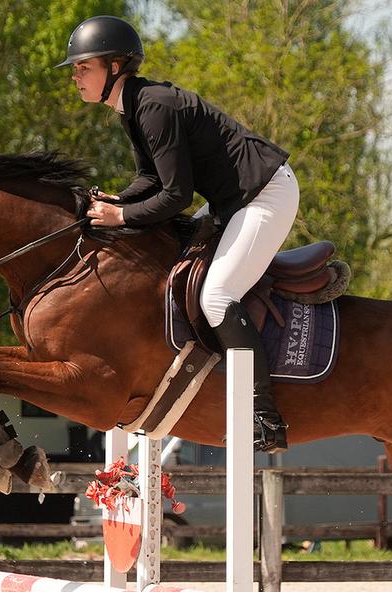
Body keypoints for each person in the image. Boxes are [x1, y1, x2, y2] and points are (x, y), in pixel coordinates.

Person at [58, 16, 300, 453]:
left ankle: (264, 417)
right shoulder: (133, 107)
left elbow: (174, 196)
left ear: (115, 66)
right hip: (235, 197)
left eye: (83, 66)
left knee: (217, 296)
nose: (75, 75)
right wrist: (114, 202)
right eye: (75, 68)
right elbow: (149, 179)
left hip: (265, 193)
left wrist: (121, 217)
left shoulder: (152, 106)